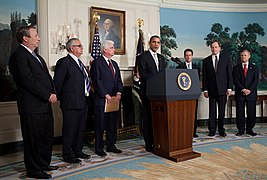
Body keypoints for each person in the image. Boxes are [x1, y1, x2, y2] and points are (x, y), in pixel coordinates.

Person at [8, 25, 58, 179]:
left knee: (46, 136)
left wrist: (53, 92)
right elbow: (27, 81)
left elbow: (47, 79)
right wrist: (47, 95)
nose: (39, 38)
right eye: (36, 35)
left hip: (44, 104)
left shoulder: (38, 56)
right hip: (31, 106)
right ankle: (34, 169)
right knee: (33, 139)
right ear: (25, 38)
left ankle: (43, 163)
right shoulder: (18, 56)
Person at [54, 38, 90, 163]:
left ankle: (78, 150)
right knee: (70, 129)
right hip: (70, 102)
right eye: (79, 45)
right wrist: (60, 99)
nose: (82, 47)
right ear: (71, 48)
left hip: (83, 100)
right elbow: (58, 83)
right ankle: (67, 154)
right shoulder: (64, 62)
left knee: (80, 128)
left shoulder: (80, 63)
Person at [90, 40, 123, 156]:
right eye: (112, 47)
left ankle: (111, 145)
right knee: (100, 124)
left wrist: (119, 92)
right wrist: (105, 94)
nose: (114, 49)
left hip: (114, 100)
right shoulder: (97, 63)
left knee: (112, 124)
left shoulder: (114, 64)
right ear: (105, 50)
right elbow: (97, 80)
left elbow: (119, 80)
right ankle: (99, 148)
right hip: (102, 99)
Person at [139, 35, 166, 152]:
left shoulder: (161, 58)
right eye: (154, 42)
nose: (156, 44)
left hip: (160, 93)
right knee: (148, 118)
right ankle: (149, 143)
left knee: (157, 118)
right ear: (150, 43)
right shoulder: (143, 57)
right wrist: (156, 79)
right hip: (148, 92)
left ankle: (158, 141)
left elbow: (164, 74)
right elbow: (143, 74)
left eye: (158, 43)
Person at [202, 40, 233, 137]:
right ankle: (212, 130)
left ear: (219, 48)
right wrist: (205, 89)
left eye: (216, 47)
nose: (214, 49)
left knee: (221, 111)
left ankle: (221, 129)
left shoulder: (226, 59)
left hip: (223, 89)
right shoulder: (206, 60)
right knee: (212, 111)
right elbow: (205, 77)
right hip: (211, 90)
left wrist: (229, 88)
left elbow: (229, 74)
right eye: (212, 47)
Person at [233, 49, 259, 136]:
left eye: (245, 55)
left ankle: (249, 129)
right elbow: (235, 80)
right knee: (240, 113)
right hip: (240, 93)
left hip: (251, 94)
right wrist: (243, 89)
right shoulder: (236, 68)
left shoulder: (254, 68)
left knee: (251, 112)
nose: (243, 57)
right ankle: (240, 130)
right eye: (241, 55)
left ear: (249, 56)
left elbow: (255, 81)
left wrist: (249, 90)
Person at [179, 48, 200, 138]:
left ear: (192, 56)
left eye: (190, 55)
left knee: (193, 113)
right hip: (183, 94)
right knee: (184, 114)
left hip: (194, 94)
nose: (188, 57)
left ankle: (193, 132)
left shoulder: (196, 67)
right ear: (184, 57)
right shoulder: (179, 67)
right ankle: (184, 131)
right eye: (186, 55)